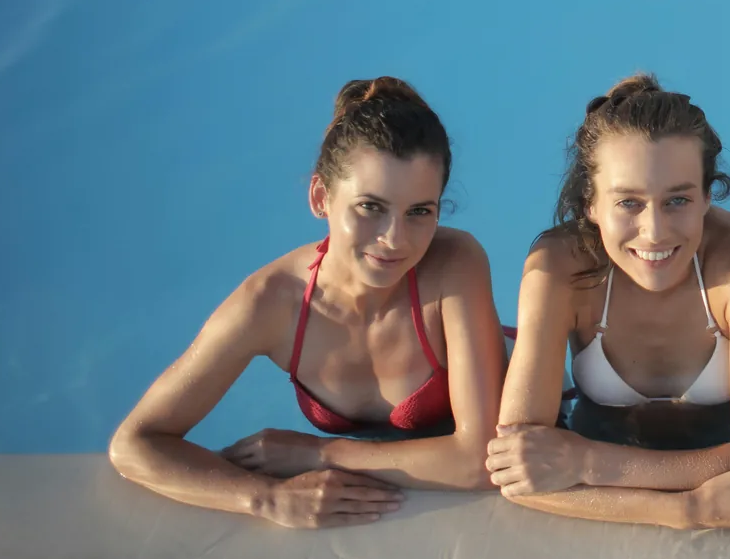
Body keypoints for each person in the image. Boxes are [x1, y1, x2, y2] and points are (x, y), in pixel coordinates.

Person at [109, 78, 508, 528]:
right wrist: (265, 498)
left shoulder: (454, 264)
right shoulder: (272, 303)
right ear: (321, 197)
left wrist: (320, 453)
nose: (395, 239)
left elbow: (479, 462)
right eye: (370, 207)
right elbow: (135, 443)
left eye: (420, 212)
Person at [486, 75, 730, 530]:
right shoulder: (560, 268)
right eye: (629, 202)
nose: (655, 232)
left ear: (709, 195)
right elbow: (515, 468)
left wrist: (586, 462)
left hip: (596, 468)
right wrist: (685, 509)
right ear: (590, 204)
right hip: (634, 467)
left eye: (678, 200)